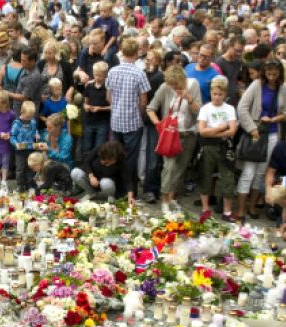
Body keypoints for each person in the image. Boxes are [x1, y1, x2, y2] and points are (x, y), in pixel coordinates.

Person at [237, 59, 286, 220]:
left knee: (261, 173)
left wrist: (274, 119)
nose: (272, 77)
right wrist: (252, 129)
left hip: (273, 133)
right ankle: (240, 209)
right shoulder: (256, 85)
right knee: (248, 172)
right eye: (269, 74)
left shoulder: (284, 88)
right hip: (256, 132)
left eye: (275, 74)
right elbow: (242, 107)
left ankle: (252, 206)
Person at [147, 65, 201, 217]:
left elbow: (199, 111)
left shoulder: (193, 84)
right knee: (169, 168)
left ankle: (172, 198)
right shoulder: (165, 87)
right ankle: (164, 202)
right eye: (172, 85)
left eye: (177, 84)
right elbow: (150, 108)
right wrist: (159, 125)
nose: (175, 88)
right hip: (170, 135)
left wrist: (189, 98)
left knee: (180, 170)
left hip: (188, 134)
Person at [106, 38, 149, 206]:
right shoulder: (139, 73)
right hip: (132, 121)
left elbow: (108, 96)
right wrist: (140, 114)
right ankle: (130, 191)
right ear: (137, 53)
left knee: (116, 156)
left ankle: (117, 189)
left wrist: (116, 106)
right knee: (131, 158)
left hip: (116, 119)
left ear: (122, 52)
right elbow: (143, 101)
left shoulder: (112, 71)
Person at [196, 75, 238, 221]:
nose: (217, 97)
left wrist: (213, 131)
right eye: (214, 94)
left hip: (225, 147)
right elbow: (201, 131)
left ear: (225, 94)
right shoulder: (205, 108)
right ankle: (205, 208)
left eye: (220, 94)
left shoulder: (230, 108)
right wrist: (222, 128)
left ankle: (227, 211)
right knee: (205, 175)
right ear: (211, 93)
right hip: (207, 146)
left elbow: (232, 131)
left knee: (227, 177)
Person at [10, 101, 41, 192]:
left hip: (30, 148)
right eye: (28, 116)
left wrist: (36, 134)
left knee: (30, 167)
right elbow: (12, 136)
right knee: (20, 168)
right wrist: (16, 143)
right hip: (20, 150)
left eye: (31, 116)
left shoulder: (32, 121)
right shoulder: (17, 123)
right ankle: (20, 185)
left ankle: (29, 183)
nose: (29, 118)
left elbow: (35, 131)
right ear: (22, 112)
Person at [82, 61, 110, 152]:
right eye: (95, 74)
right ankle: (86, 165)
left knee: (99, 148)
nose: (97, 77)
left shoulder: (108, 88)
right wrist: (86, 107)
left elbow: (113, 106)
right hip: (89, 121)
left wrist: (100, 109)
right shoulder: (89, 86)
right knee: (87, 147)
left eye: (100, 75)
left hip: (103, 122)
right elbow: (85, 102)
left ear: (105, 75)